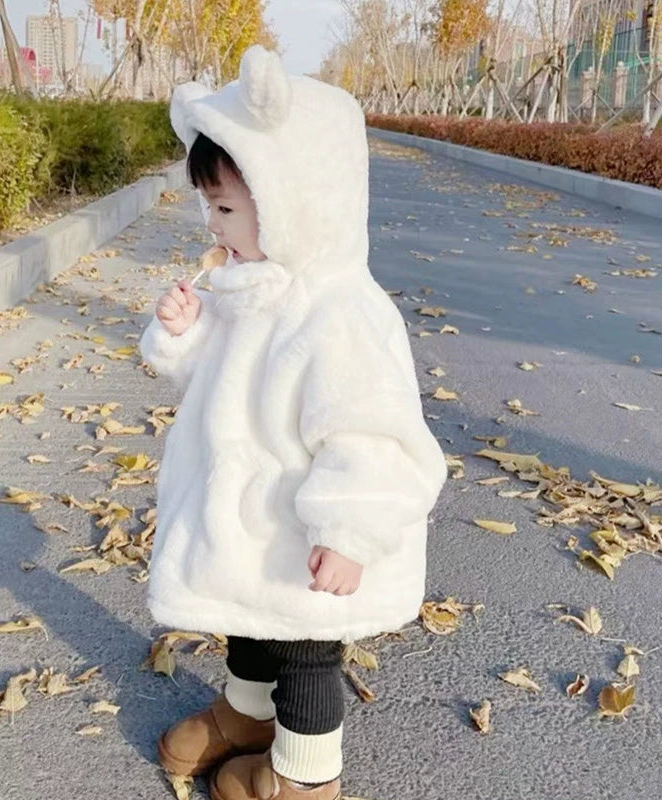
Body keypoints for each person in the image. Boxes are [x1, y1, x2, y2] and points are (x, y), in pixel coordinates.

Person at [139, 45, 447, 800]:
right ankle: (247, 716)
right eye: (208, 206)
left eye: (225, 208)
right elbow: (217, 377)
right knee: (249, 617)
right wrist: (183, 331)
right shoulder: (252, 285)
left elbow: (370, 433)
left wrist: (349, 532)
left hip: (312, 530)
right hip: (252, 515)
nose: (211, 224)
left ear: (294, 202)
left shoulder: (340, 312)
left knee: (307, 648)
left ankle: (307, 777)